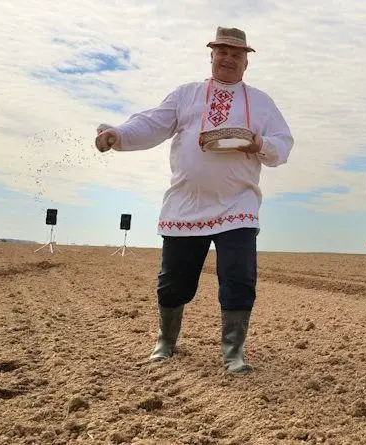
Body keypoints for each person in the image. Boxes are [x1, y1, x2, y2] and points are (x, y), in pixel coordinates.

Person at [94, 27, 294, 373]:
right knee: (174, 280)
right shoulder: (187, 94)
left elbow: (283, 146)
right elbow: (152, 123)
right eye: (223, 52)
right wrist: (118, 134)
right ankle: (166, 341)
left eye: (237, 54)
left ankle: (233, 352)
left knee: (239, 278)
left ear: (247, 62)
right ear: (212, 55)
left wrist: (258, 143)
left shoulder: (262, 102)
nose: (229, 59)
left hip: (238, 206)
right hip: (185, 205)